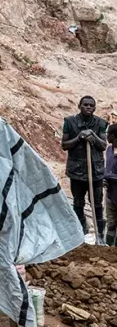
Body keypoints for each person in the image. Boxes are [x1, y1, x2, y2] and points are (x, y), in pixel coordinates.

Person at [63, 96, 107, 239]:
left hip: (96, 171)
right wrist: (79, 138)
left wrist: (93, 136)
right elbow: (64, 145)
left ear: (94, 108)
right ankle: (80, 231)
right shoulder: (69, 122)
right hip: (76, 171)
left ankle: (99, 234)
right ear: (79, 106)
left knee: (97, 203)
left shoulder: (100, 123)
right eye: (85, 105)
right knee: (78, 202)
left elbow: (103, 145)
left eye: (91, 105)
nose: (88, 107)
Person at [105, 125, 117, 246]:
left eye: (107, 134)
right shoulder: (109, 150)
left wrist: (107, 176)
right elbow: (108, 169)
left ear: (112, 136)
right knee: (111, 224)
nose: (106, 136)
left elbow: (108, 173)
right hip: (110, 195)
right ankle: (108, 251)